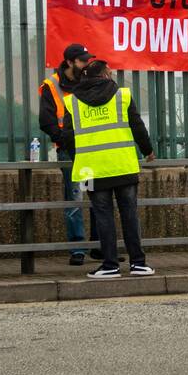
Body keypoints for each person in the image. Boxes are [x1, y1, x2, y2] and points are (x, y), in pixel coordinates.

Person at [61, 59, 156, 278]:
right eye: (110, 72)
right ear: (105, 74)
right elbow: (137, 125)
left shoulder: (72, 101)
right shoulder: (122, 95)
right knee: (129, 215)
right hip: (123, 165)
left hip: (89, 170)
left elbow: (67, 137)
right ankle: (138, 263)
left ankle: (110, 265)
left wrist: (81, 159)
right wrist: (147, 150)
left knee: (102, 216)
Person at [39, 42, 97, 265]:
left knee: (95, 195)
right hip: (69, 152)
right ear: (70, 62)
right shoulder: (51, 85)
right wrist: (64, 139)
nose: (86, 64)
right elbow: (46, 121)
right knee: (74, 198)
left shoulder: (88, 81)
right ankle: (77, 249)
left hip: (90, 149)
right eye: (83, 61)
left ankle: (98, 245)